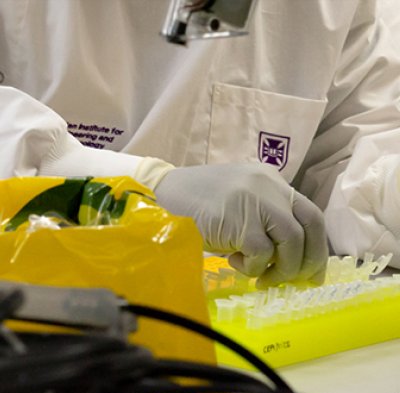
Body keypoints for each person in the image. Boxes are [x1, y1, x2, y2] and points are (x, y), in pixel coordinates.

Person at [0, 0, 400, 287]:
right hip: (41, 327)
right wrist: (141, 185)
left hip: (242, 338)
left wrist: (388, 192)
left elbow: (354, 147)